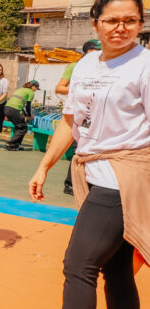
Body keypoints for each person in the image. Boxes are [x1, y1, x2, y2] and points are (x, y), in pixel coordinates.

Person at [7, 0, 150, 309]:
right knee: (117, 271)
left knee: (79, 265)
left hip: (124, 180)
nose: (120, 28)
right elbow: (71, 122)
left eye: (130, 20)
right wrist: (44, 165)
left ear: (140, 24)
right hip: (93, 172)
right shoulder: (87, 64)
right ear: (96, 24)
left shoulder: (145, 66)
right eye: (111, 20)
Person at [56, 39, 101, 195]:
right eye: (96, 50)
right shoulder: (76, 66)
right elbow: (60, 88)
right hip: (79, 114)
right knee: (80, 149)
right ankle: (71, 184)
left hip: (98, 115)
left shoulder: (106, 68)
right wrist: (83, 90)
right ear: (88, 51)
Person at [3, 81, 39, 151]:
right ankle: (10, 143)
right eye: (36, 88)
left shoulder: (20, 89)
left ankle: (15, 146)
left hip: (7, 109)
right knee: (23, 128)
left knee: (19, 126)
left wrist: (26, 114)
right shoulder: (31, 92)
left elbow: (19, 104)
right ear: (33, 86)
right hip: (15, 110)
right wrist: (29, 115)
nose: (36, 90)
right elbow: (28, 105)